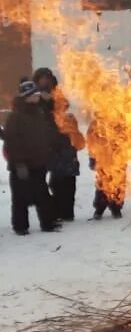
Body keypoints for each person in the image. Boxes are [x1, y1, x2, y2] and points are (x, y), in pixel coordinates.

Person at [4, 80, 59, 234]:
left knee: (42, 194)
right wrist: (19, 164)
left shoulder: (39, 112)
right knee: (20, 197)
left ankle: (48, 223)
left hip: (39, 163)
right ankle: (21, 226)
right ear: (25, 97)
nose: (37, 97)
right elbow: (12, 142)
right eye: (33, 95)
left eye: (37, 94)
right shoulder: (16, 117)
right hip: (22, 166)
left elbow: (43, 135)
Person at [33, 68, 85, 222]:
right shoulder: (35, 98)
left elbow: (64, 105)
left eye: (46, 78)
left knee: (68, 182)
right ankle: (56, 212)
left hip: (65, 144)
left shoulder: (58, 95)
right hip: (48, 144)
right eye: (41, 78)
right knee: (55, 182)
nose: (44, 81)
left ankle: (67, 213)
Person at [87, 119, 126, 220]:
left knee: (118, 184)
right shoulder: (96, 123)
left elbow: (126, 139)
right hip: (102, 160)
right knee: (102, 184)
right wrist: (92, 158)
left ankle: (116, 208)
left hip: (118, 159)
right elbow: (91, 142)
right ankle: (99, 209)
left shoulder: (120, 122)